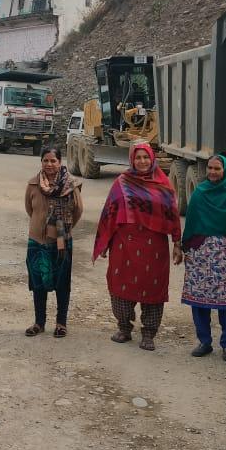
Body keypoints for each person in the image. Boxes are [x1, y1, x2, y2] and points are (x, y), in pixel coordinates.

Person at [92, 142, 180, 351]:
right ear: (132, 159)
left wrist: (177, 242)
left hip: (154, 247)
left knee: (153, 289)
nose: (142, 161)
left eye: (146, 157)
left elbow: (173, 216)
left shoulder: (163, 184)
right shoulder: (122, 183)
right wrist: (105, 242)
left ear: (152, 159)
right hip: (124, 245)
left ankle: (149, 333)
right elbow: (110, 212)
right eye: (138, 158)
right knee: (120, 286)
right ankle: (124, 328)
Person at [174, 155, 226, 361]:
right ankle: (204, 342)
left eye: (217, 168)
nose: (212, 172)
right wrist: (184, 248)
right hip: (201, 254)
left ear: (225, 171)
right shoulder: (200, 193)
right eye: (210, 168)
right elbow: (191, 224)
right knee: (199, 301)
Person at [23, 147, 83, 339]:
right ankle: (39, 323)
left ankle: (61, 323)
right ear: (41, 162)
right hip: (37, 241)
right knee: (38, 282)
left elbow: (78, 210)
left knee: (62, 282)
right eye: (45, 161)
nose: (49, 164)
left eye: (53, 161)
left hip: (61, 242)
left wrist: (62, 230)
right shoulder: (33, 184)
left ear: (60, 162)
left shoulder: (70, 185)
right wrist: (41, 226)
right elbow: (29, 209)